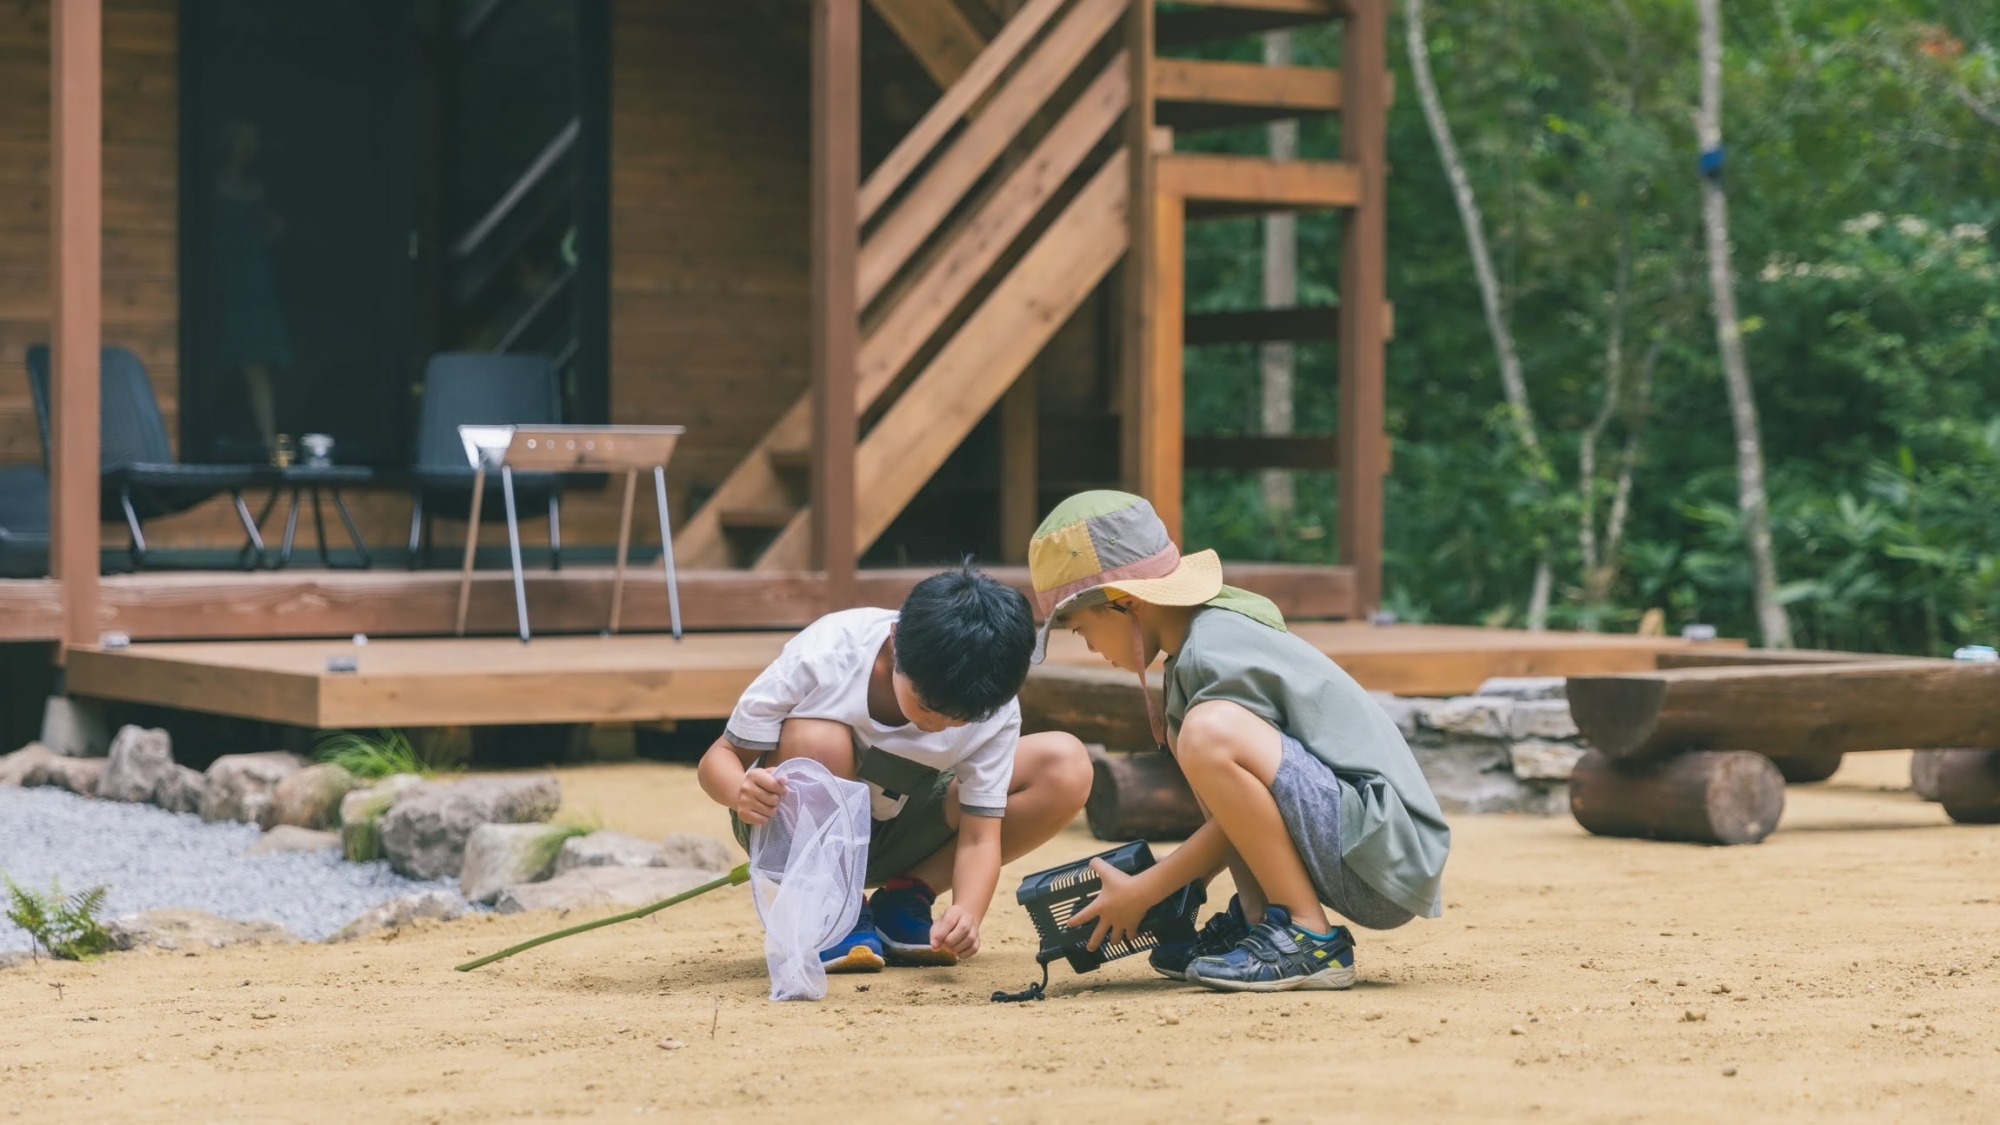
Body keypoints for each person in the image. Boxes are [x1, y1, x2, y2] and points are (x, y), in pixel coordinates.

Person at [1031, 491, 1450, 992]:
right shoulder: (1198, 643)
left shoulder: (1213, 646)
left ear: (1128, 601)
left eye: (1082, 631)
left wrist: (1149, 888)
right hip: (1359, 841)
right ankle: (1261, 922)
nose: (1092, 648)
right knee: (1200, 733)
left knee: (1209, 734)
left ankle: (1308, 937)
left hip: (1383, 852)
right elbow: (1249, 806)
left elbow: (1250, 790)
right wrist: (1179, 890)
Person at [698, 566, 1091, 972]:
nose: (937, 725)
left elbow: (980, 837)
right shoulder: (828, 654)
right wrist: (739, 790)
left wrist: (968, 912)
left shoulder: (989, 703)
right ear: (894, 644)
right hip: (795, 830)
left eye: (959, 721)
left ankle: (905, 898)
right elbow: (719, 759)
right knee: (816, 733)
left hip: (901, 827)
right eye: (925, 706)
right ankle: (835, 911)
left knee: (1064, 763)